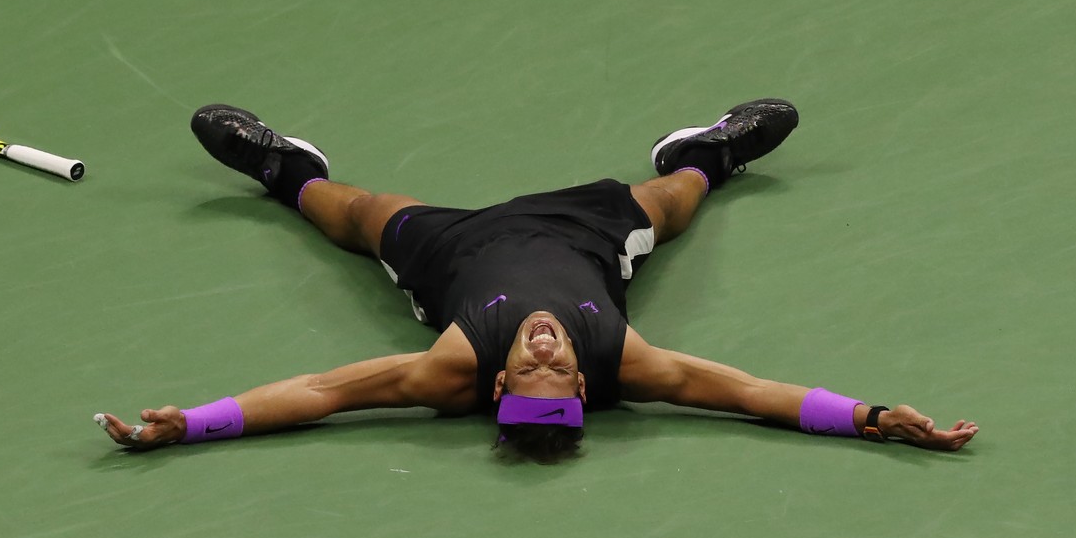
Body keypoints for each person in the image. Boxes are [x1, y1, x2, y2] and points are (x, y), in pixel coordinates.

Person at [94, 99, 978, 460]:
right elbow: (750, 393)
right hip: (583, 237)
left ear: (501, 381)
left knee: (355, 214)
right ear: (584, 383)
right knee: (670, 202)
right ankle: (710, 153)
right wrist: (868, 417)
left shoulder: (450, 366)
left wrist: (195, 425)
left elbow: (321, 392)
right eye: (557, 370)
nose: (547, 351)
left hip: (459, 253)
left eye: (534, 369)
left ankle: (283, 170)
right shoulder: (623, 360)